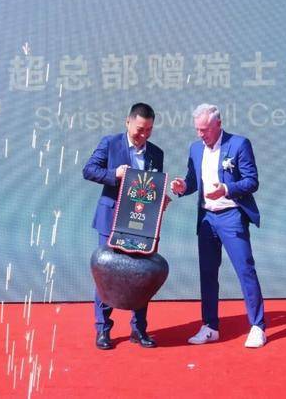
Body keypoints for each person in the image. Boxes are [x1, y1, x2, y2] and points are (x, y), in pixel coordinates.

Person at [170, 103, 266, 348]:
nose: (201, 134)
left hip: (231, 215)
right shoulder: (195, 148)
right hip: (207, 218)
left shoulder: (239, 144)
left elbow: (251, 181)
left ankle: (257, 326)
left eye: (205, 129)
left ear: (218, 125)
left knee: (245, 269)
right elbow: (193, 181)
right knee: (208, 273)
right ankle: (210, 327)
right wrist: (183, 186)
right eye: (198, 129)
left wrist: (226, 188)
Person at [83, 102, 164, 350]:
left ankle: (139, 330)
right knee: (106, 273)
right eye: (140, 129)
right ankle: (103, 329)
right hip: (111, 219)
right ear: (127, 122)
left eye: (148, 130)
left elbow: (152, 187)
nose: (144, 135)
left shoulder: (156, 153)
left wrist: (161, 199)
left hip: (141, 223)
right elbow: (89, 170)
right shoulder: (110, 143)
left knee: (141, 275)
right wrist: (114, 174)